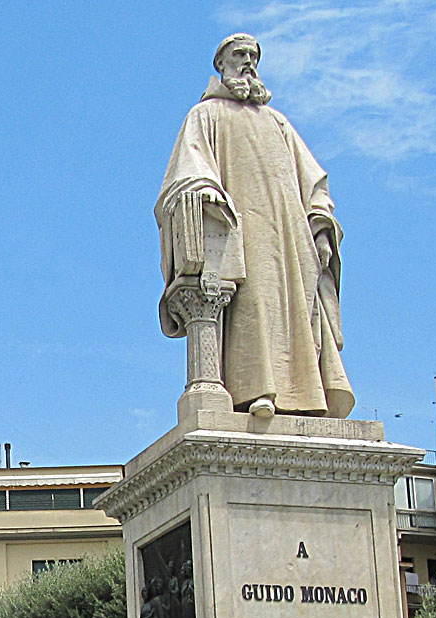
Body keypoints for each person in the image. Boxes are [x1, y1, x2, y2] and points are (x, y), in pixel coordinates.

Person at [157, 33, 353, 419]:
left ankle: (304, 396)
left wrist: (319, 222)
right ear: (221, 64)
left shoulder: (278, 122)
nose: (247, 62)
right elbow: (186, 172)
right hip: (242, 231)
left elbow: (313, 181)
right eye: (239, 54)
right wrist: (205, 191)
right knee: (255, 304)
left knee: (296, 306)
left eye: (252, 56)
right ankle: (256, 391)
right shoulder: (205, 116)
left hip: (290, 234)